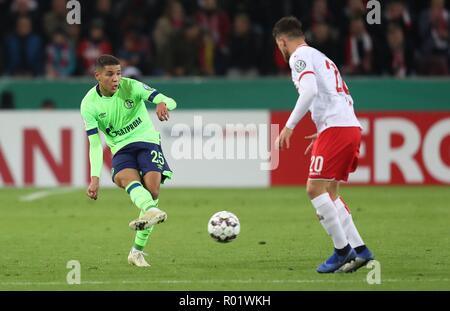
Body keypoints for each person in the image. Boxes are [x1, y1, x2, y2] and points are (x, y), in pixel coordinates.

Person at [273, 16, 373, 273]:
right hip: (347, 126)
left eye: (278, 45)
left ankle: (342, 251)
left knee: (314, 189)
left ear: (283, 41)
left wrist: (289, 126)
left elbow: (309, 91)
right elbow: (335, 94)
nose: (280, 51)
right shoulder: (322, 57)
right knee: (330, 192)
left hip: (337, 128)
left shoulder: (299, 57)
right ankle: (360, 250)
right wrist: (324, 130)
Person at [80, 55, 177, 267]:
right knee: (125, 179)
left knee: (152, 192)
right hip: (121, 148)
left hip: (147, 141)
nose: (116, 79)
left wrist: (161, 103)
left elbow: (170, 100)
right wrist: (94, 178)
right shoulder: (88, 104)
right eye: (110, 74)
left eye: (118, 73)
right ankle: (150, 213)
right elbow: (95, 144)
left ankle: (136, 251)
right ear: (97, 76)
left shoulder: (131, 86)